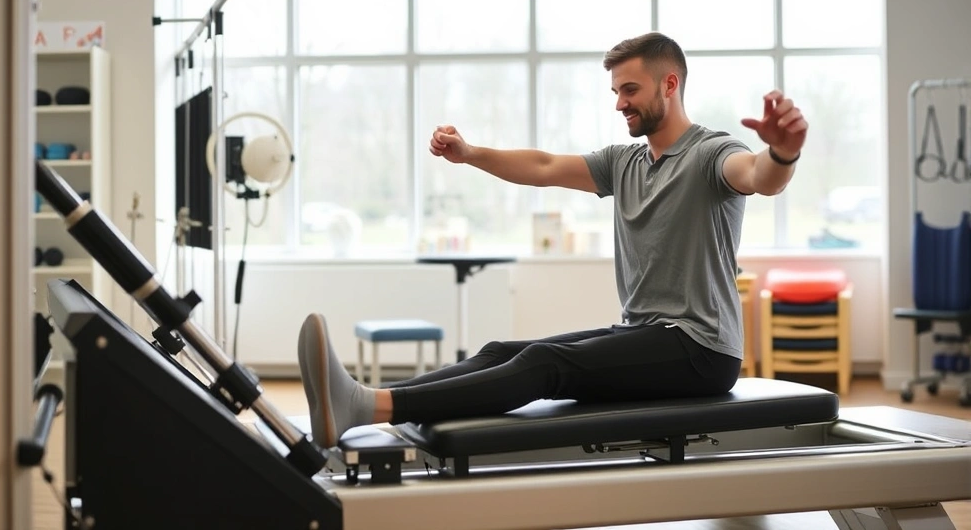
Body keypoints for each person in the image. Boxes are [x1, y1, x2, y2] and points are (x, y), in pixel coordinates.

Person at [297, 32, 808, 450]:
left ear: (669, 84)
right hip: (648, 334)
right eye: (615, 92)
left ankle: (370, 407)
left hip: (701, 349)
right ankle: (366, 397)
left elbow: (758, 175)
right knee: (503, 350)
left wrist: (781, 154)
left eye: (629, 90)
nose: (619, 103)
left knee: (546, 366)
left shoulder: (711, 153)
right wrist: (471, 153)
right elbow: (543, 167)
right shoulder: (625, 162)